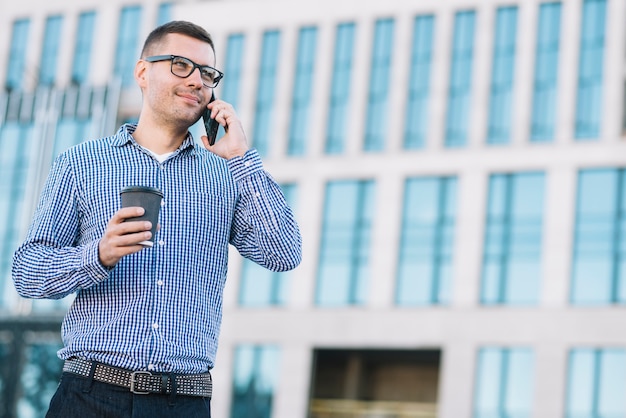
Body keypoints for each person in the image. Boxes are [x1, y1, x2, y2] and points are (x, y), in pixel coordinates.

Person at [12, 20, 302, 417]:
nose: (197, 80)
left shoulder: (227, 172)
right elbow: (27, 273)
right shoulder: (81, 163)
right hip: (88, 396)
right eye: (181, 65)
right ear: (143, 72)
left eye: (207, 73)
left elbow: (284, 253)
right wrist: (97, 254)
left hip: (183, 401)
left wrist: (241, 160)